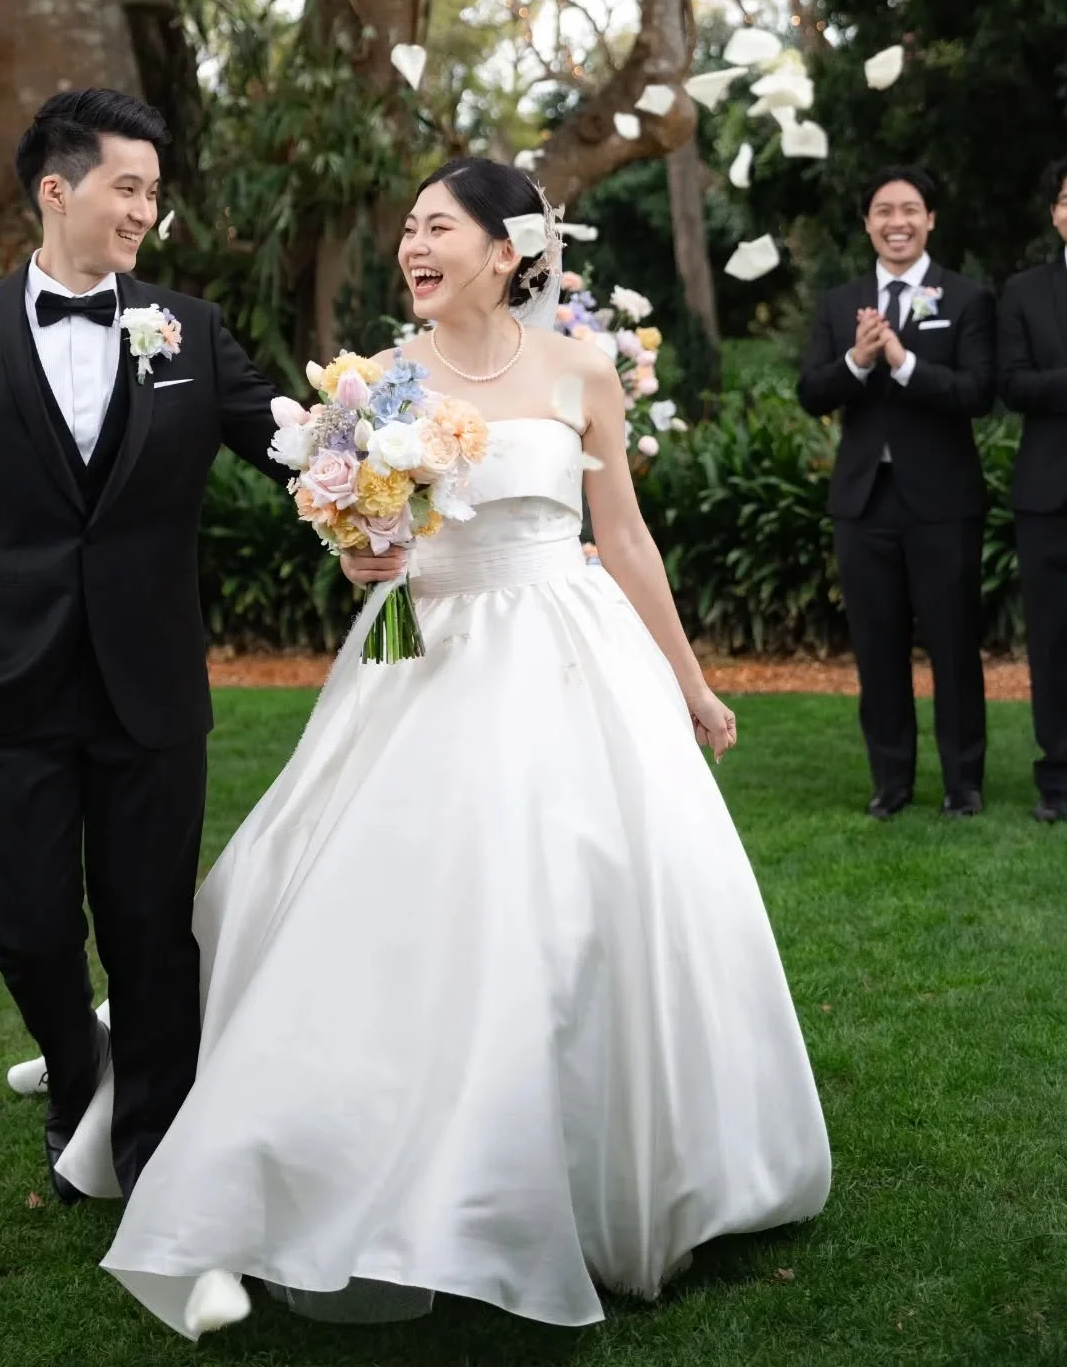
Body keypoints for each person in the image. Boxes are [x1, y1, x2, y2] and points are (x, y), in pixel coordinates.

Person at [53, 159, 831, 1339]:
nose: (412, 247)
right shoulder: (376, 382)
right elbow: (368, 534)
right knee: (371, 891)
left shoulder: (582, 369)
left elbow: (622, 538)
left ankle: (604, 1173)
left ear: (508, 250)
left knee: (590, 893)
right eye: (407, 230)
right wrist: (364, 548)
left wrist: (690, 681)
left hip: (571, 653)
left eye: (437, 229)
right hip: (420, 651)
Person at [0, 89, 286, 1207]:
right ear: (57, 189)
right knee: (22, 923)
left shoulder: (189, 329)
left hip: (149, 688)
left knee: (152, 932)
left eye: (154, 193)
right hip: (2, 688)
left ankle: (147, 1153)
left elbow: (288, 445)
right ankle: (77, 1073)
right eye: (128, 187)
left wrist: (389, 459)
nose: (145, 212)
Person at [797, 167, 995, 820]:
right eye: (883, 210)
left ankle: (963, 782)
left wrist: (904, 362)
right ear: (867, 223)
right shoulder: (841, 302)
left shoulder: (964, 298)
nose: (897, 221)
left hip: (943, 501)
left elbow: (976, 394)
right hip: (863, 502)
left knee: (953, 643)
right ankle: (892, 781)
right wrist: (857, 359)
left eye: (910, 209)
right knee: (878, 648)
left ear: (930, 219)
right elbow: (812, 393)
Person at [998, 158, 1067, 823]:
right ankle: (1059, 779)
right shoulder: (1024, 292)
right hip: (1049, 496)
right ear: (1056, 213)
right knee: (1051, 643)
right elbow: (1012, 384)